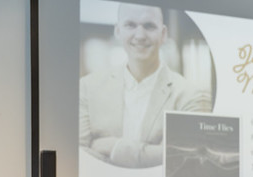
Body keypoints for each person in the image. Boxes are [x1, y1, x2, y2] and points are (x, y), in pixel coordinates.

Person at [79, 3, 211, 168]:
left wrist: (115, 148)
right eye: (130, 25)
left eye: (149, 26)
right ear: (118, 31)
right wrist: (155, 154)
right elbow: (79, 156)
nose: (140, 35)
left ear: (163, 34)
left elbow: (189, 158)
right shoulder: (87, 87)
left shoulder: (191, 95)